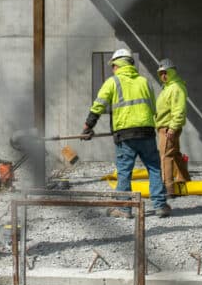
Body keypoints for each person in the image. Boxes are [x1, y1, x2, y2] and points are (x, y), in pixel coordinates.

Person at [81, 48, 169, 218]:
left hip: (125, 135)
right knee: (154, 168)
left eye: (113, 66)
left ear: (117, 65)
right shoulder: (145, 82)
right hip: (147, 132)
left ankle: (124, 208)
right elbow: (152, 107)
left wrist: (87, 127)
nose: (112, 69)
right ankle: (160, 206)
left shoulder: (113, 82)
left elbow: (98, 105)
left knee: (124, 172)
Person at [155, 58, 191, 208]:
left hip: (168, 128)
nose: (163, 75)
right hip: (167, 127)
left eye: (165, 72)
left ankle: (168, 188)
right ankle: (184, 180)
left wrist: (172, 127)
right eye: (161, 73)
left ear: (171, 72)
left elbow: (179, 110)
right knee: (174, 153)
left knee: (165, 156)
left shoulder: (175, 87)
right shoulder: (169, 87)